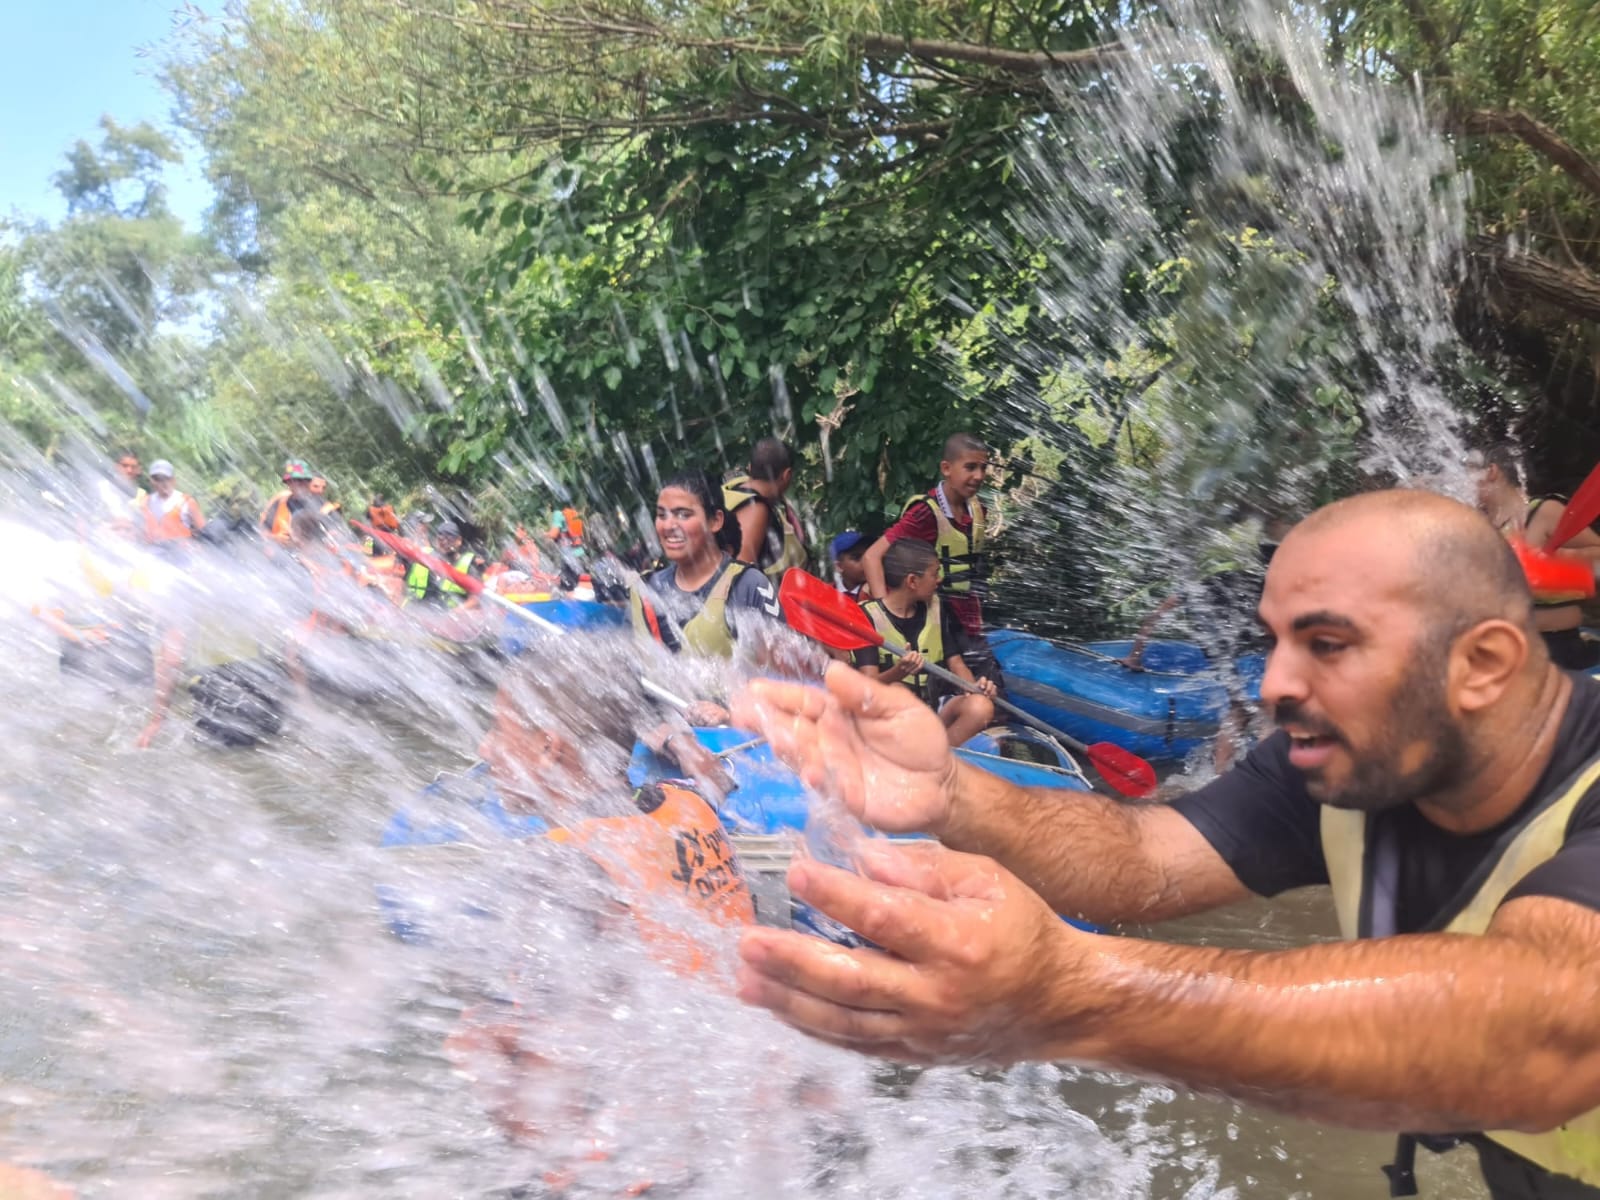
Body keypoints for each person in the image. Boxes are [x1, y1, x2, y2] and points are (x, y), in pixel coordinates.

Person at [733, 489, 1600, 1200]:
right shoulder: (1351, 763)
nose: (1273, 686)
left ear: (1483, 665)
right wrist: (952, 795)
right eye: (1275, 642)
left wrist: (1070, 992)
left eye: (1327, 644)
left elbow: (1544, 1032)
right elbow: (1143, 859)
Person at [861, 432, 999, 685]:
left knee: (991, 694)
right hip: (936, 618)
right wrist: (885, 614)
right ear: (946, 468)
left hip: (968, 618)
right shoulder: (924, 513)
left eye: (983, 467)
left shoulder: (978, 509)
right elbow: (872, 556)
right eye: (970, 467)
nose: (979, 476)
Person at [853, 540, 996, 746]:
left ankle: (940, 759)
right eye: (934, 573)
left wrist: (973, 687)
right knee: (898, 691)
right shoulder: (867, 616)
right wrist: (899, 672)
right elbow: (866, 687)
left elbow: (956, 664)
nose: (939, 579)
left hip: (931, 710)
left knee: (980, 707)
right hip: (890, 716)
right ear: (912, 581)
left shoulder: (936, 608)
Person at [630, 471, 780, 662]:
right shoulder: (646, 590)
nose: (668, 525)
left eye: (683, 515)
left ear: (715, 521)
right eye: (662, 515)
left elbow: (785, 674)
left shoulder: (747, 585)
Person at [1475, 446, 1600, 670]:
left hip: (1559, 648)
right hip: (1501, 649)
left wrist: (1560, 558)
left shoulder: (1543, 512)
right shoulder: (1478, 526)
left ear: (1491, 472)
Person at [722, 438, 809, 580]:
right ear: (787, 475)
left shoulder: (732, 490)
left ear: (750, 468)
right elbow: (738, 572)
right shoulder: (755, 509)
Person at [404, 519, 481, 607]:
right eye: (441, 537)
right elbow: (401, 581)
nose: (444, 542)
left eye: (450, 538)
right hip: (416, 609)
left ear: (459, 540)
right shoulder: (423, 557)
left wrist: (458, 612)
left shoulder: (468, 565)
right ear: (436, 540)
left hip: (447, 614)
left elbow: (476, 598)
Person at [136, 460, 206, 544]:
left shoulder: (187, 502)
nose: (163, 482)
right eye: (158, 479)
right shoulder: (145, 501)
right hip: (152, 552)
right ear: (152, 481)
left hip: (179, 553)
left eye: (166, 478)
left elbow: (204, 533)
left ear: (173, 480)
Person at [261, 459, 317, 542]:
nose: (299, 484)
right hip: (278, 551)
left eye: (304, 480)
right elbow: (262, 532)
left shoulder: (315, 507)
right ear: (288, 483)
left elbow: (321, 540)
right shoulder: (279, 503)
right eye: (295, 480)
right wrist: (275, 538)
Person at [829, 527, 876, 603]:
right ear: (839, 566)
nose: (866, 562)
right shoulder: (826, 593)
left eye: (868, 556)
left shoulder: (877, 593)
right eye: (857, 557)